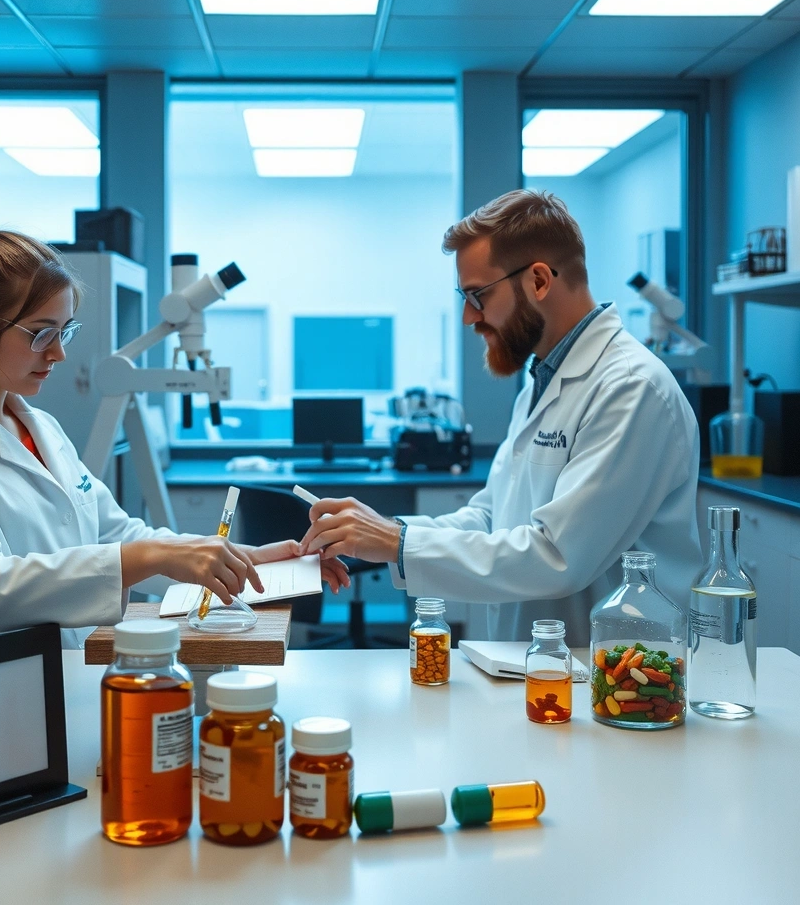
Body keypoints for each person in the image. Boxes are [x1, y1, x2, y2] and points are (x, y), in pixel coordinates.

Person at [0, 213, 349, 767]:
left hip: (50, 711)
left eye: (64, 332)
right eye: (39, 332)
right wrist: (152, 554)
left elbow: (117, 534)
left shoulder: (38, 426)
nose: (58, 353)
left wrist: (240, 558)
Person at [299, 190, 701, 642]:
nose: (469, 317)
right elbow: (492, 519)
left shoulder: (631, 388)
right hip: (540, 666)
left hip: (622, 679)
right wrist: (383, 533)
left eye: (477, 295)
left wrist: (395, 542)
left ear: (539, 281)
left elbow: (557, 557)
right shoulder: (542, 381)